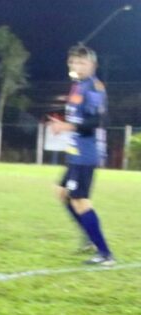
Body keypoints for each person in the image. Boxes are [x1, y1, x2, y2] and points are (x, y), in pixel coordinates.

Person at [49, 44, 115, 265]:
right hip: (76, 153)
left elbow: (98, 121)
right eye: (74, 62)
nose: (77, 65)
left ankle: (105, 254)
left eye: (82, 62)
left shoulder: (94, 88)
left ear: (92, 65)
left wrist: (66, 127)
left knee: (80, 201)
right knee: (61, 192)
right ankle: (89, 236)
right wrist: (64, 125)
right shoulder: (77, 85)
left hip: (86, 154)